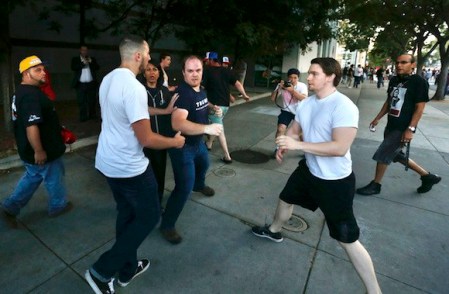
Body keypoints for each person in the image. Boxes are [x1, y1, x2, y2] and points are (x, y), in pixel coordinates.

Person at [252, 57, 382, 294]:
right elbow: (295, 129)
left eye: (314, 73)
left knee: (347, 239)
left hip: (335, 181)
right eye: (309, 73)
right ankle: (274, 231)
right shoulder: (307, 104)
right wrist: (284, 143)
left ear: (331, 76)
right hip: (310, 170)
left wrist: (298, 146)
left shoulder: (343, 106)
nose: (308, 78)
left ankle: (374, 291)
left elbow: (339, 147)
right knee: (286, 197)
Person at [84, 37, 185, 294]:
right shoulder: (134, 87)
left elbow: (127, 112)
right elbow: (147, 138)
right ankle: (102, 271)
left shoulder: (108, 79)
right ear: (138, 56)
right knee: (150, 215)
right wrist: (174, 143)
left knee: (127, 214)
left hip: (107, 161)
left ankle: (127, 268)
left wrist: (162, 112)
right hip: (129, 166)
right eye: (148, 54)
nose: (150, 60)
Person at [1, 56, 72, 227]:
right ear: (26, 74)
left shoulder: (25, 91)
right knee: (54, 177)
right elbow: (31, 126)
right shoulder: (29, 95)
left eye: (43, 69)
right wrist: (39, 150)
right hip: (43, 150)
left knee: (33, 176)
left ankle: (11, 206)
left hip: (32, 148)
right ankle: (58, 205)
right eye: (37, 70)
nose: (43, 73)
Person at [159, 55, 223, 245]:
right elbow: (177, 121)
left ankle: (199, 185)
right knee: (183, 188)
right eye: (190, 71)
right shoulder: (184, 94)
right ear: (183, 73)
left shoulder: (200, 90)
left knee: (204, 164)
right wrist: (207, 129)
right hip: (183, 147)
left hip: (198, 144)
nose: (195, 75)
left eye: (198, 70)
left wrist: (213, 108)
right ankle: (167, 225)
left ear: (202, 71)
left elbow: (202, 103)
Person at [356, 54, 441, 196]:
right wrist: (377, 118)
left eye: (404, 62)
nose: (399, 65)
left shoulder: (418, 82)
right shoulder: (394, 80)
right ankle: (427, 176)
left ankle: (376, 185)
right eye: (397, 62)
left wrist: (410, 129)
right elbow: (389, 102)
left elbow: (419, 109)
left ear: (413, 65)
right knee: (395, 155)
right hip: (391, 124)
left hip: (403, 127)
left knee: (383, 153)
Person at [141, 61, 178, 204]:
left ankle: (158, 201)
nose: (151, 73)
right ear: (144, 74)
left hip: (160, 141)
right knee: (144, 174)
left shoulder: (165, 91)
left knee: (159, 172)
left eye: (154, 69)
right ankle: (146, 201)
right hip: (143, 140)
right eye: (148, 70)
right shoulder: (139, 91)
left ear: (159, 73)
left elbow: (173, 113)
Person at [203, 51, 250, 163]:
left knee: (219, 130)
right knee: (217, 124)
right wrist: (244, 95)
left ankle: (227, 156)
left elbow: (202, 87)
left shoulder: (207, 71)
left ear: (211, 60)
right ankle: (209, 143)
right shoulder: (226, 71)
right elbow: (238, 84)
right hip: (226, 106)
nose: (207, 62)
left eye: (208, 60)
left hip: (215, 106)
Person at [270, 68, 308, 157]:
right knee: (280, 129)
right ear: (288, 78)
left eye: (295, 78)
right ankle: (278, 148)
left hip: (299, 112)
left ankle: (307, 151)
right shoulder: (283, 85)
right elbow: (272, 99)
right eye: (291, 77)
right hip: (286, 111)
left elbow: (304, 99)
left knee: (301, 134)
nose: (293, 80)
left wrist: (292, 90)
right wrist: (279, 88)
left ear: (298, 78)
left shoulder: (302, 86)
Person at [71, 45, 100, 122]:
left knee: (92, 101)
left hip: (91, 84)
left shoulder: (92, 59)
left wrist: (90, 62)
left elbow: (97, 67)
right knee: (81, 101)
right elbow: (73, 67)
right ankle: (83, 117)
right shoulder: (76, 59)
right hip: (80, 84)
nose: (84, 52)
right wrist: (83, 63)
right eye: (83, 50)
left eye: (86, 50)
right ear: (80, 51)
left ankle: (92, 115)